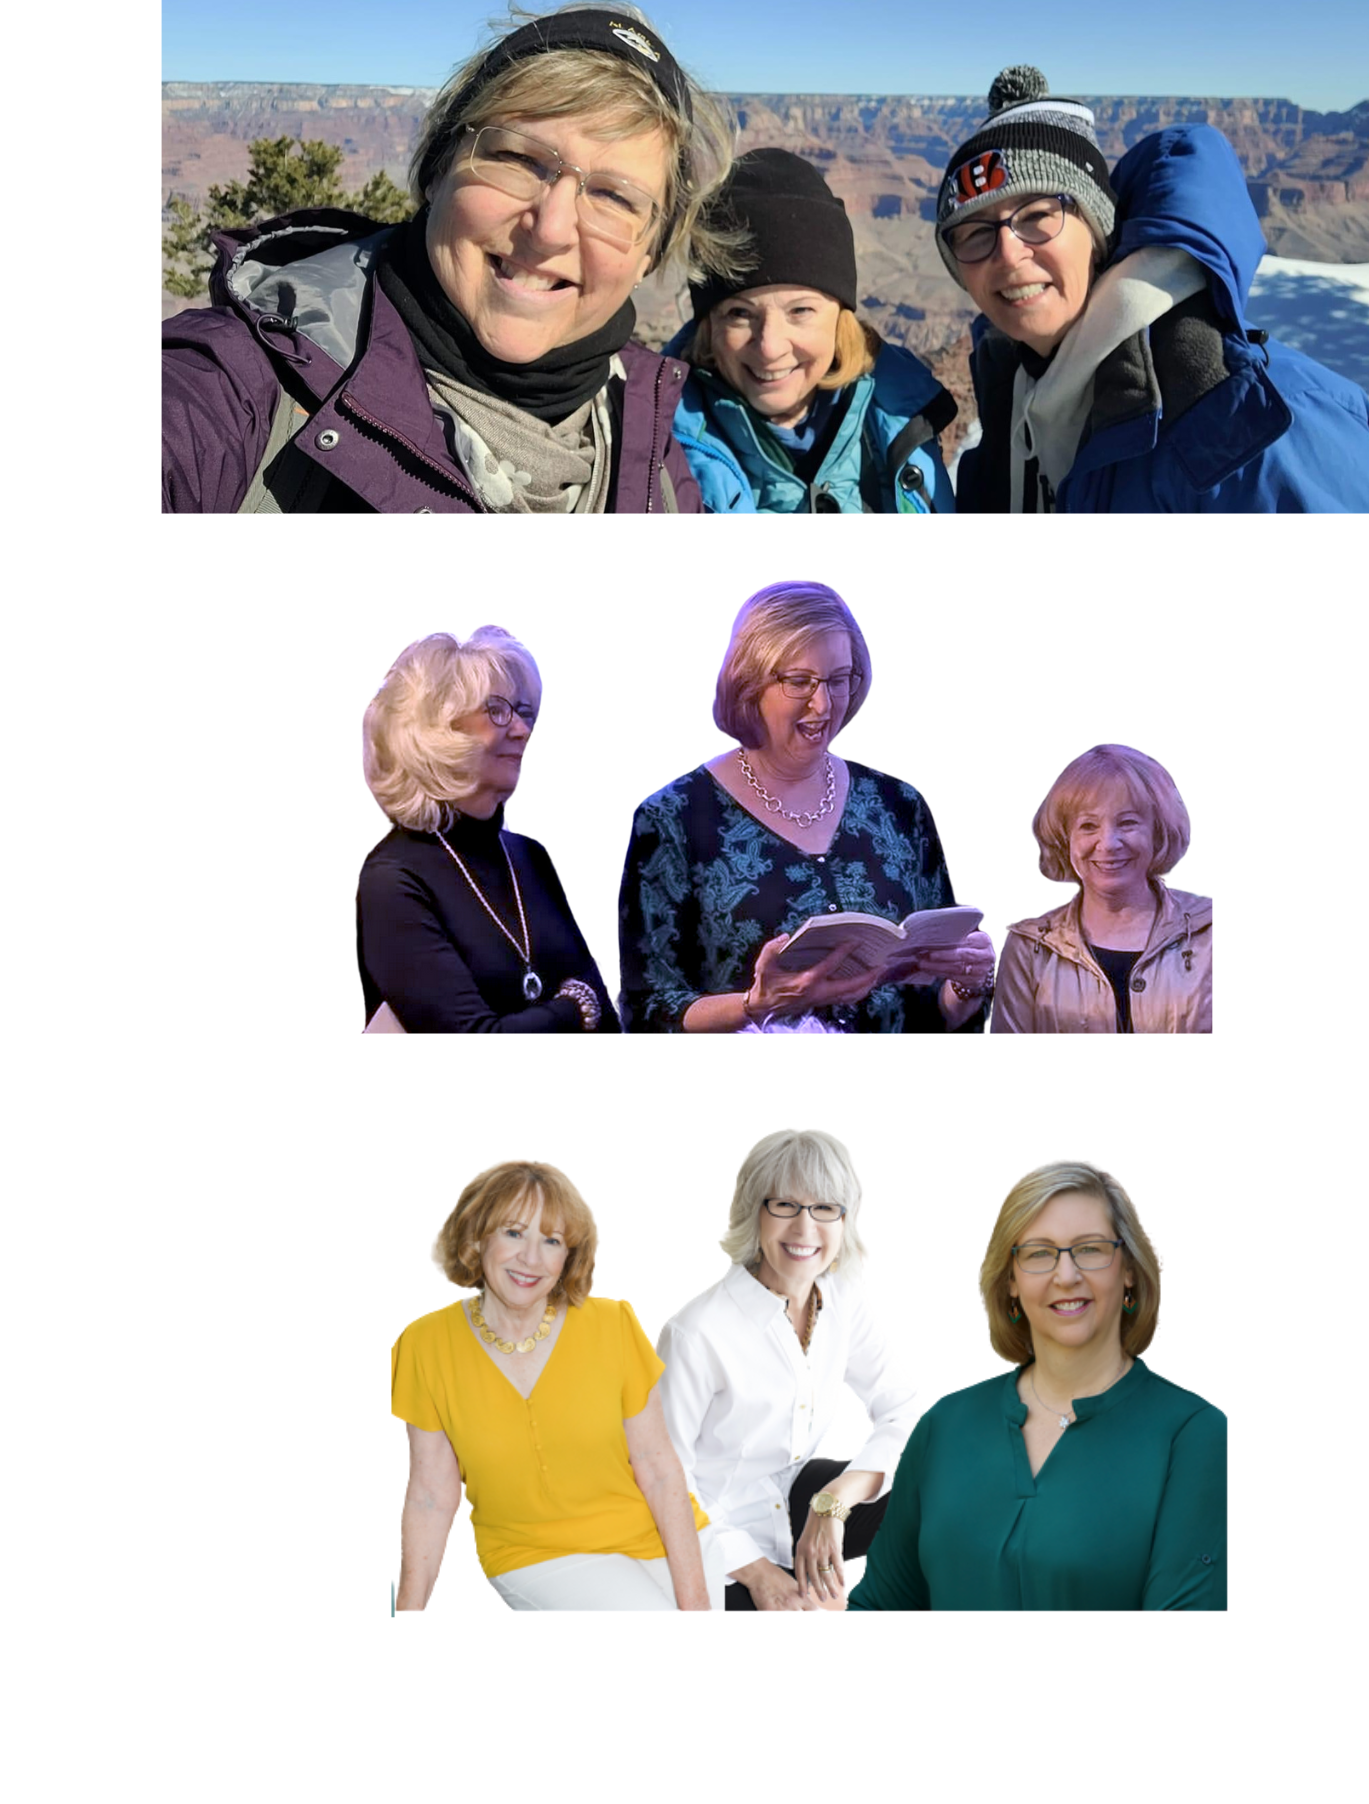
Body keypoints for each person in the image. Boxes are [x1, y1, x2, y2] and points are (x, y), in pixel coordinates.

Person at [163, 2, 744, 512]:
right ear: (440, 168)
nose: (551, 229)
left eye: (615, 197)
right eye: (518, 159)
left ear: (650, 252)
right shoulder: (234, 388)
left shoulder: (651, 444)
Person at [936, 65, 1369, 513]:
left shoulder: (1258, 424)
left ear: (1096, 231)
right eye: (974, 233)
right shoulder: (1011, 408)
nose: (1008, 254)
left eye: (1037, 215)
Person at [617, 581, 995, 1032]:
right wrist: (754, 1004)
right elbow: (649, 1012)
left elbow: (932, 1015)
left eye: (839, 680)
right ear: (749, 682)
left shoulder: (901, 807)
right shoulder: (672, 820)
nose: (824, 703)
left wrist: (968, 982)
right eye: (800, 682)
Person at [850, 1162, 1226, 1611]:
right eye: (1038, 1253)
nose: (1065, 1275)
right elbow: (878, 1608)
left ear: (1128, 1270)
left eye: (1090, 1249)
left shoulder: (1192, 1435)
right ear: (1010, 1280)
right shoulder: (944, 1427)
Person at [392, 1160, 719, 1611]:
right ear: (476, 1238)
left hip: (665, 1538)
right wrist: (406, 1617)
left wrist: (697, 1605)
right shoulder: (425, 1345)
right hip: (539, 1554)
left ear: (569, 1256)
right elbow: (431, 1494)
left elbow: (659, 1469)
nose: (531, 1257)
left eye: (552, 1240)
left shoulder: (613, 1324)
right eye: (513, 1233)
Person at [657, 1129, 921, 1610]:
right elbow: (666, 1480)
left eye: (824, 1208)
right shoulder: (696, 1333)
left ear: (845, 1220)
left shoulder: (842, 1297)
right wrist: (760, 1576)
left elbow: (904, 1409)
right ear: (752, 1213)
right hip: (718, 1531)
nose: (805, 1229)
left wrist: (834, 1502)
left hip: (798, 1497)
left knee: (939, 1488)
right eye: (784, 1205)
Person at [358, 626, 617, 1033]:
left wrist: (576, 1009)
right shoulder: (393, 879)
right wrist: (572, 1008)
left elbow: (606, 1025)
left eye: (523, 711)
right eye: (497, 710)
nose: (522, 730)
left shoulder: (529, 858)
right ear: (435, 730)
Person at [666, 148, 955, 512]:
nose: (769, 347)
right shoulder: (654, 457)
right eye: (739, 313)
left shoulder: (903, 429)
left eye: (800, 310)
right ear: (708, 326)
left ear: (841, 318)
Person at [992, 745, 1211, 1034]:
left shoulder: (1212, 932)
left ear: (1158, 831)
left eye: (1128, 822)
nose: (1108, 843)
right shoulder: (1028, 950)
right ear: (1064, 838)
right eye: (1088, 826)